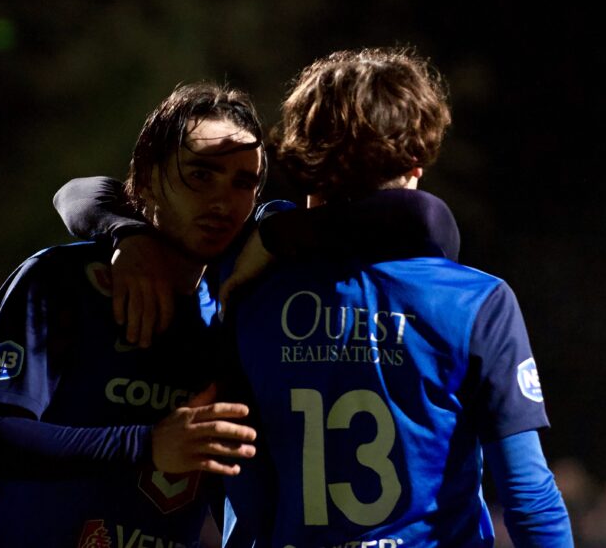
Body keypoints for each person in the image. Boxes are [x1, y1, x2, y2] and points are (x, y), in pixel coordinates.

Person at [221, 49, 573, 547]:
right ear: (415, 164)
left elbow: (248, 503)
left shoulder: (251, 298)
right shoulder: (477, 302)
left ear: (308, 166)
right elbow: (528, 493)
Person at [0, 84, 267, 547]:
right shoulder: (63, 279)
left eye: (243, 183)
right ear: (145, 180)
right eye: (201, 175)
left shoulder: (233, 322)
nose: (223, 202)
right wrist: (146, 445)